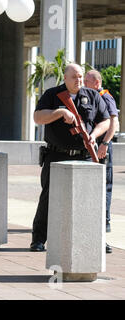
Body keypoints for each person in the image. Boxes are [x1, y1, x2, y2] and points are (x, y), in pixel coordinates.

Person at [30, 63, 110, 252]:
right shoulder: (52, 94)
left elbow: (105, 120)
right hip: (57, 155)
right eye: (74, 77)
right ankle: (38, 240)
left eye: (81, 76)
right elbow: (38, 117)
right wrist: (59, 112)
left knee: (90, 199)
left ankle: (97, 239)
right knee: (48, 197)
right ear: (64, 78)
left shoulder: (91, 96)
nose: (78, 80)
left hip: (84, 156)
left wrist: (94, 134)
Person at [84, 69, 120, 254]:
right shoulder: (89, 96)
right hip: (93, 146)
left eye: (87, 80)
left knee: (103, 189)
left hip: (102, 147)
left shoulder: (105, 97)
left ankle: (102, 236)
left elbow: (113, 122)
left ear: (96, 83)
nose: (83, 82)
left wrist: (105, 144)